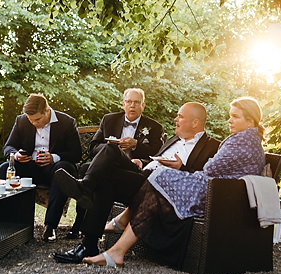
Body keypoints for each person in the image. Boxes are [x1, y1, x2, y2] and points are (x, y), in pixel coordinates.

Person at [82, 97, 266, 269]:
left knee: (155, 180)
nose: (229, 120)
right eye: (229, 116)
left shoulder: (240, 142)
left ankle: (115, 234)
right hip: (211, 189)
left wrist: (181, 167)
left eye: (235, 116)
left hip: (213, 194)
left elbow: (210, 168)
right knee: (118, 162)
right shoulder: (249, 140)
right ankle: (115, 246)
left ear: (250, 121)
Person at [52, 101, 219, 264]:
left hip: (161, 189)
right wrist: (142, 161)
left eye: (180, 116)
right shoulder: (175, 139)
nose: (175, 119)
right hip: (143, 175)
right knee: (111, 150)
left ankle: (85, 197)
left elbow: (202, 181)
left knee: (105, 179)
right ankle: (88, 242)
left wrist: (181, 168)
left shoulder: (212, 147)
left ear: (195, 122)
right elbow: (156, 159)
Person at [64, 88, 165, 239]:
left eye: (136, 102)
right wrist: (111, 148)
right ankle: (82, 225)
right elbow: (93, 147)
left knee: (90, 173)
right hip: (107, 166)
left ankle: (83, 189)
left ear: (143, 106)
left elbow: (157, 155)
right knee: (89, 168)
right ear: (123, 104)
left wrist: (137, 146)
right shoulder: (109, 120)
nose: (132, 105)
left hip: (132, 168)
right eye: (129, 102)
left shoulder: (154, 127)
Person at [0, 93, 82, 241]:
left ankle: (50, 226)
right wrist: (16, 154)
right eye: (31, 120)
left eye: (37, 119)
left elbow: (76, 153)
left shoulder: (67, 122)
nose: (34, 123)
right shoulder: (22, 121)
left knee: (63, 170)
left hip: (55, 168)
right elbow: (8, 147)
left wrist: (54, 157)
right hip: (30, 167)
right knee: (4, 168)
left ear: (47, 110)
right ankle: (7, 221)